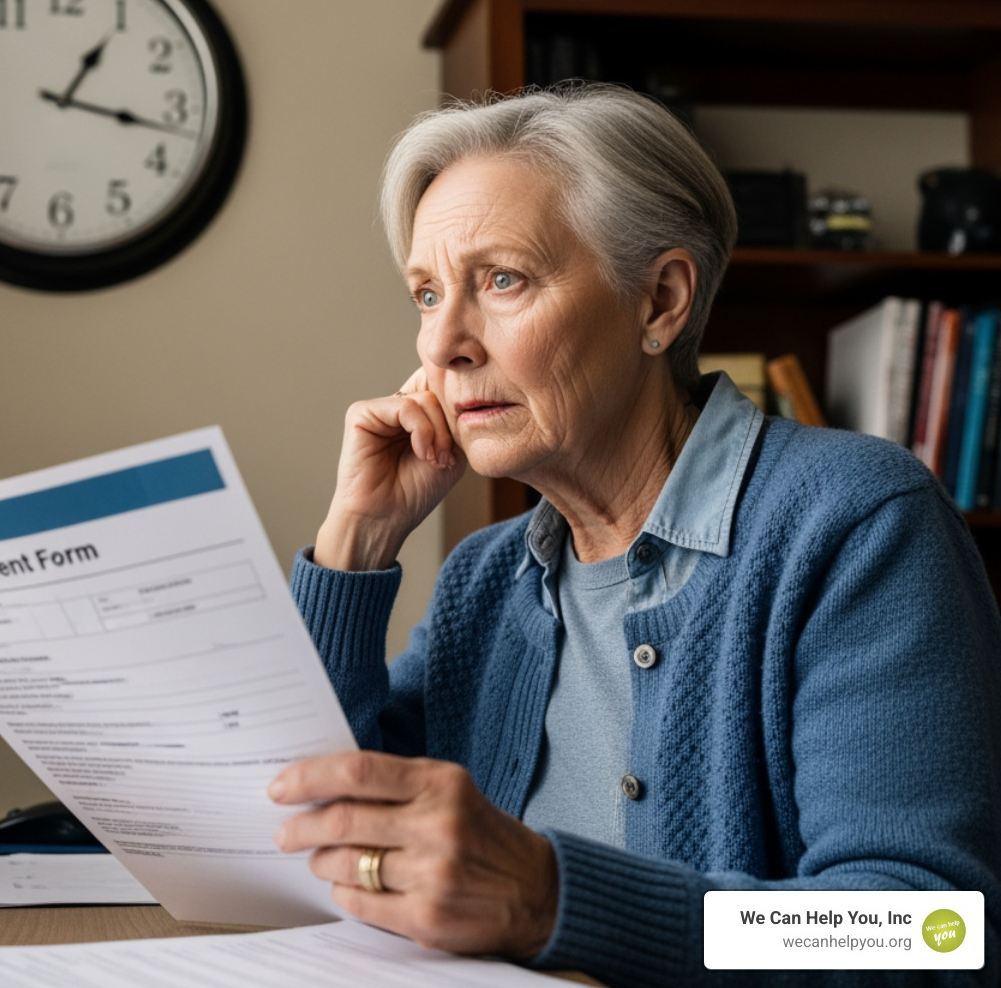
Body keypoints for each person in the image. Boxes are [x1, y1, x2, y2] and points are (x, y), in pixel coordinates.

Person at [269, 83, 1001, 987]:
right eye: (426, 293)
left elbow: (930, 933)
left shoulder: (855, 524)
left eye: (502, 280)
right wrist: (354, 546)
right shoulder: (485, 578)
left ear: (659, 301)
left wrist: (553, 900)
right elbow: (296, 822)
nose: (442, 344)